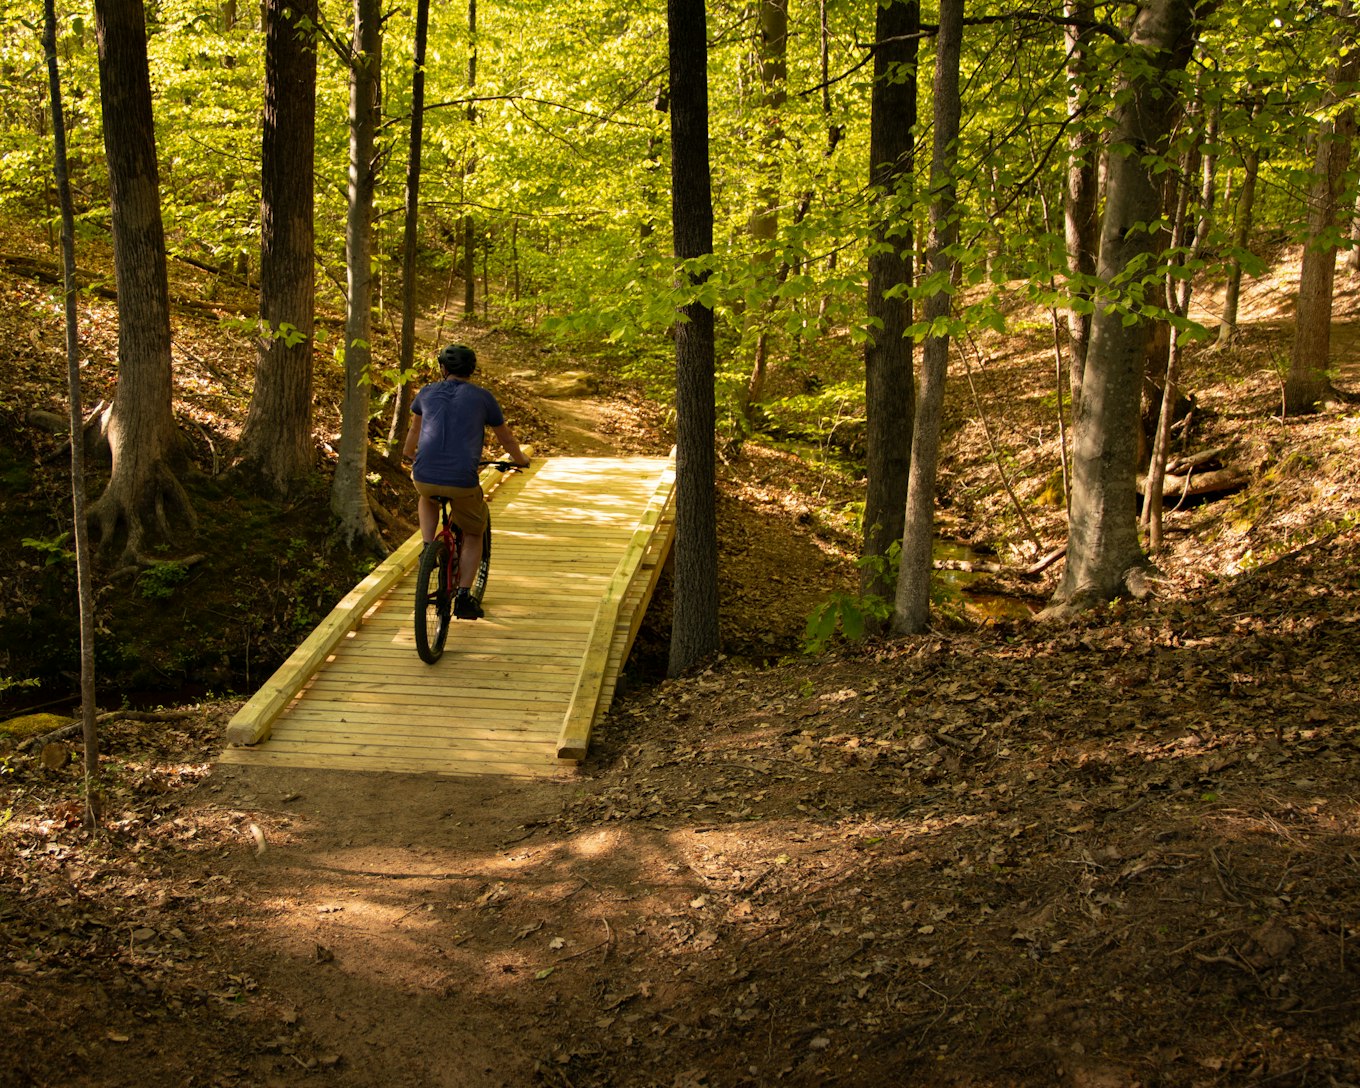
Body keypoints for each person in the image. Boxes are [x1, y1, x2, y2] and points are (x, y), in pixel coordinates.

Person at [402, 343, 529, 620]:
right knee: (473, 532)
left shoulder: (426, 392)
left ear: (443, 369)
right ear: (471, 370)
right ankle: (463, 596)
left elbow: (415, 428)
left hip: (424, 475)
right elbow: (505, 438)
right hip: (461, 480)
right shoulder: (483, 397)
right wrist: (520, 460)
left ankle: (427, 547)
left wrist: (409, 453)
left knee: (427, 495)